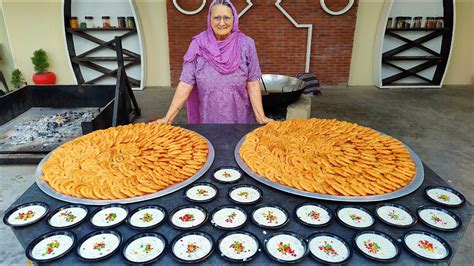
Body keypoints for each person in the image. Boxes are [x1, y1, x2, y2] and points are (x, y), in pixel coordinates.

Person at [152, 0, 272, 124]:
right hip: (208, 122)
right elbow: (185, 84)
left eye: (226, 18)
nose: (222, 23)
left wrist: (260, 117)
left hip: (241, 121)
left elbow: (252, 83)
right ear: (210, 20)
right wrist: (168, 118)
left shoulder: (246, 44)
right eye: (216, 18)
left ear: (234, 19)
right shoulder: (198, 45)